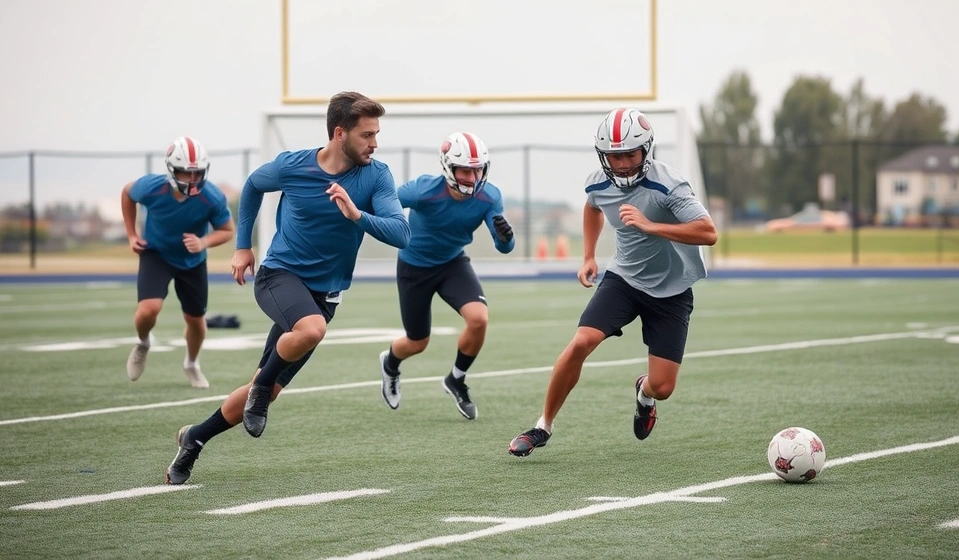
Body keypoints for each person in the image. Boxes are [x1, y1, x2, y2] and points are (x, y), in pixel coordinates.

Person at [165, 91, 410, 484]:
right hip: (279, 275)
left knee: (267, 386)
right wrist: (243, 246)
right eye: (367, 135)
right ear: (339, 134)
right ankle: (261, 388)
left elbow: (401, 233)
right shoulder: (293, 166)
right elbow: (253, 186)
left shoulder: (377, 175)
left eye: (376, 134)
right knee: (310, 331)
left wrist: (357, 215)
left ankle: (195, 438)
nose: (374, 143)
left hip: (325, 295)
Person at [507, 108, 718, 457]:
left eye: (629, 155)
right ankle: (543, 425)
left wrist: (651, 226)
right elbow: (593, 206)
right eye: (613, 156)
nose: (621, 164)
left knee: (663, 387)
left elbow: (708, 232)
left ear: (646, 150)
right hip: (624, 279)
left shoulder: (670, 184)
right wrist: (589, 256)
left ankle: (644, 394)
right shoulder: (598, 182)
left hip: (671, 290)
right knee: (581, 341)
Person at [378, 132, 515, 420]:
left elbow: (504, 247)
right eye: (465, 170)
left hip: (452, 264)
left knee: (479, 319)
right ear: (448, 168)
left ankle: (456, 379)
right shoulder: (422, 190)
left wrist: (506, 238)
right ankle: (390, 363)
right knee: (417, 342)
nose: (472, 177)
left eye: (477, 170)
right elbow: (384, 200)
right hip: (414, 267)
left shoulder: (490, 196)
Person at [121, 136, 235, 389]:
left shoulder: (212, 197)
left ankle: (191, 364)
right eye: (186, 172)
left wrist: (203, 242)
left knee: (196, 320)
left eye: (198, 173)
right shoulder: (152, 187)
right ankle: (143, 342)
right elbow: (127, 193)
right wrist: (131, 234)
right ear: (172, 170)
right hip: (156, 253)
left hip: (192, 260)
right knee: (148, 310)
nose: (192, 179)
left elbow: (228, 230)